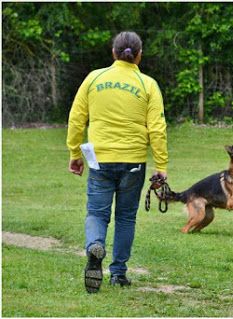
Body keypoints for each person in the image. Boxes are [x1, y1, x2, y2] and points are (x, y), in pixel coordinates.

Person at [66, 31, 168, 293]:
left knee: (97, 213)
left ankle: (94, 247)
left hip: (100, 160)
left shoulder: (94, 78)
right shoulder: (148, 84)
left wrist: (75, 154)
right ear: (139, 55)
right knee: (125, 218)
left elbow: (77, 119)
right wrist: (161, 165)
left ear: (113, 53)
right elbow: (157, 127)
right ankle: (119, 273)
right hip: (133, 161)